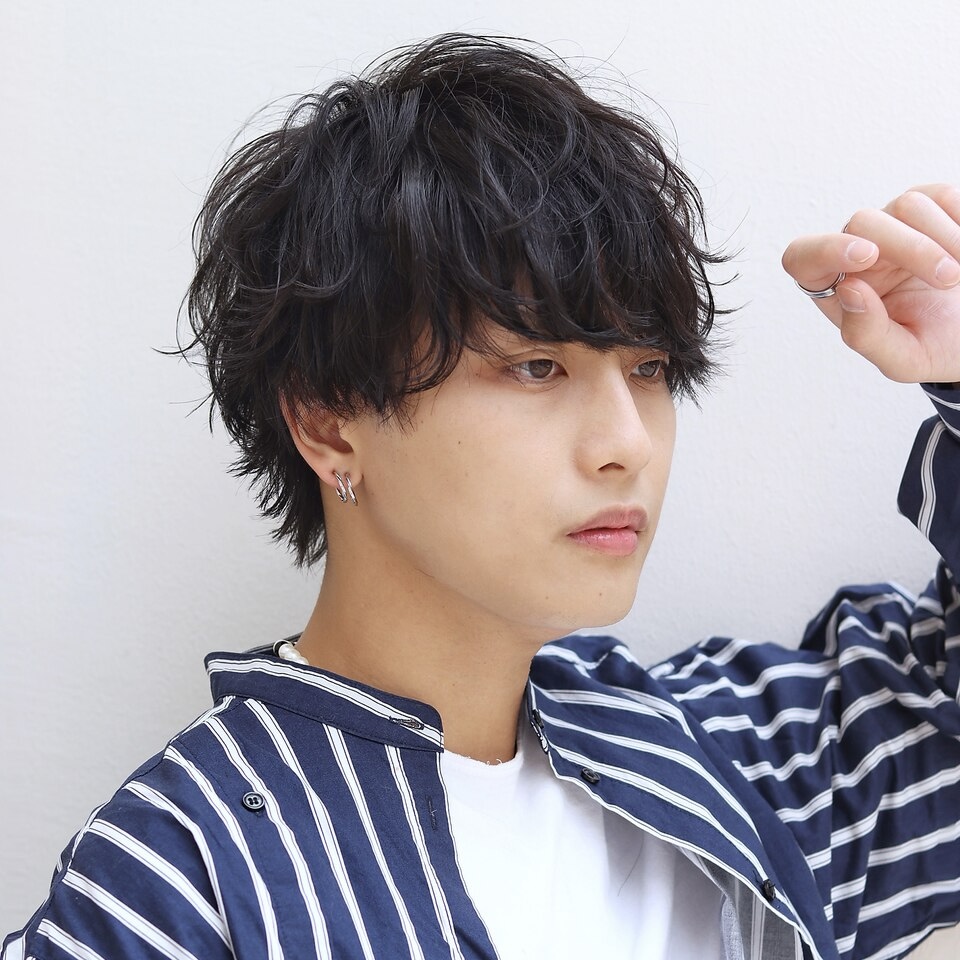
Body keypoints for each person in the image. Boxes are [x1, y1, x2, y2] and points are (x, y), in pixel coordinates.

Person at [4, 32, 960, 960]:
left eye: (649, 369)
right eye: (537, 367)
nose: (627, 444)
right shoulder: (185, 880)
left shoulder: (712, 758)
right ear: (329, 424)